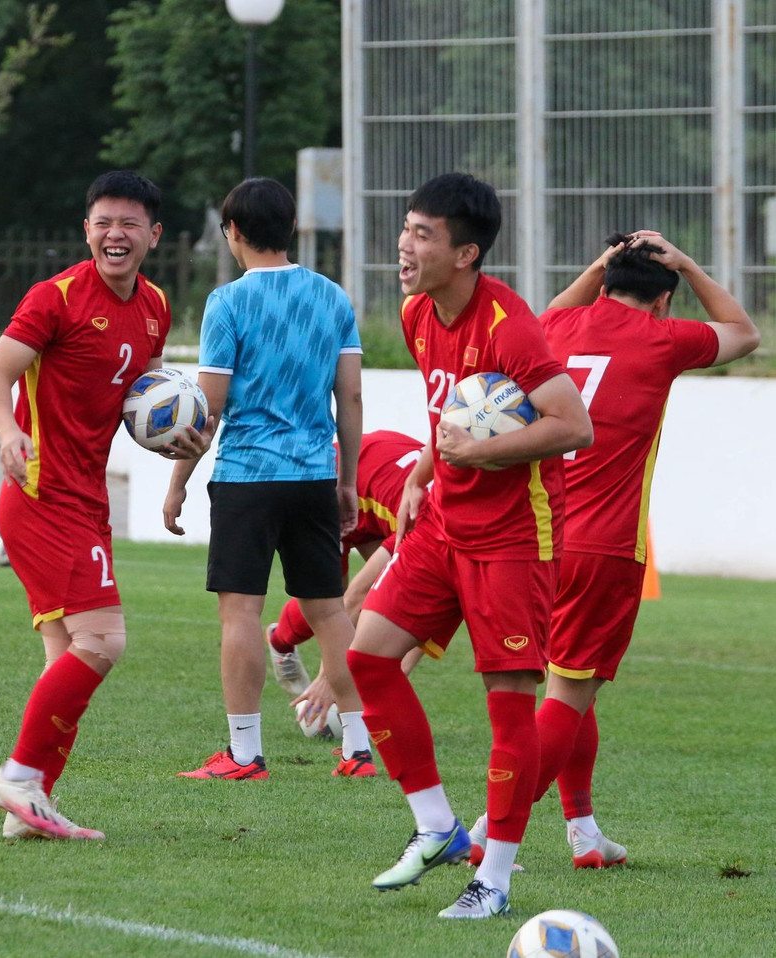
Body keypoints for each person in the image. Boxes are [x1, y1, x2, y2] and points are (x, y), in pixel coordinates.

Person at [462, 232, 759, 870]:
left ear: (601, 282)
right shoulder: (665, 338)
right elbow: (743, 332)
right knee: (571, 691)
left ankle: (584, 830)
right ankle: (492, 828)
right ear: (666, 299)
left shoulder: (560, 325)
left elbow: (541, 317)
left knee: (573, 684)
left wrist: (599, 264)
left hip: (539, 536)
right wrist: (685, 263)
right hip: (607, 546)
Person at [345, 172, 592, 919]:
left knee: (510, 708)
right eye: (406, 228)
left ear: (467, 253)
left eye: (424, 234)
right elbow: (448, 410)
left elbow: (573, 425)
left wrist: (480, 456)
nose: (405, 244)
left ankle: (495, 881)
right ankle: (437, 829)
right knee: (367, 658)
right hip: (442, 527)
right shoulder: (419, 310)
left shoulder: (511, 327)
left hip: (513, 542)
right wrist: (423, 469)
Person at [0, 170, 203, 841]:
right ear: (86, 230)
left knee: (66, 655)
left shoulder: (156, 306)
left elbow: (139, 400)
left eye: (129, 224)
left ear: (153, 236)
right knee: (104, 641)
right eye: (103, 222)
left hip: (86, 497)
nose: (115, 234)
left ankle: (33, 802)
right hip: (43, 494)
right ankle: (19, 775)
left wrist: (171, 439)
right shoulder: (57, 297)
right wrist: (7, 429)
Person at [161, 178, 369, 780]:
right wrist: (348, 478)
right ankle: (358, 749)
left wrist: (177, 482)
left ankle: (245, 753)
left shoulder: (228, 303)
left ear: (233, 232)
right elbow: (350, 394)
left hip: (248, 475)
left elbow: (210, 405)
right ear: (291, 227)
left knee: (241, 614)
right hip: (313, 475)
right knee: (329, 612)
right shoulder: (332, 297)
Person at [267, 430, 428, 717]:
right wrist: (330, 678)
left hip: (379, 487)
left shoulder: (446, 536)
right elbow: (356, 596)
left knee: (398, 598)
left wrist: (384, 684)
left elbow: (427, 617)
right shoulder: (427, 525)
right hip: (337, 484)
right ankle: (280, 640)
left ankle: (362, 694)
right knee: (330, 600)